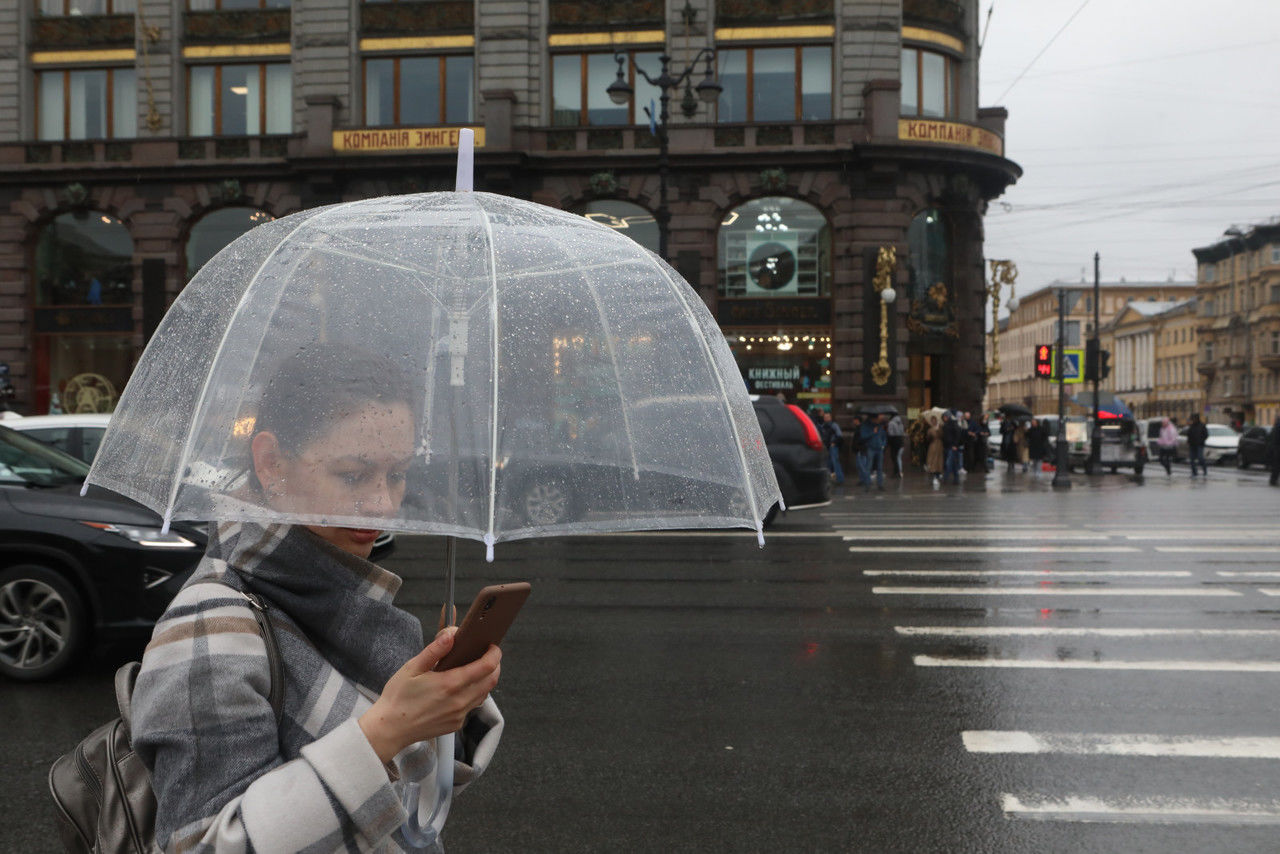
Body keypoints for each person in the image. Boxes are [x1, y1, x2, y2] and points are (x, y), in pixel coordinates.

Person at [131, 345, 504, 853]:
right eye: (353, 474)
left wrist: (444, 704)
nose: (382, 505)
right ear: (270, 462)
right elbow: (200, 846)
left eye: (397, 474)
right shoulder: (212, 622)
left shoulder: (342, 602)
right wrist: (385, 731)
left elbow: (414, 814)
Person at [861, 413, 887, 489]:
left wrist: (883, 444)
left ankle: (880, 484)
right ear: (873, 418)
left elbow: (884, 436)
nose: (879, 419)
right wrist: (873, 432)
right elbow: (863, 436)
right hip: (871, 448)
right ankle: (867, 484)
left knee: (880, 467)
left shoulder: (880, 426)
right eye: (877, 418)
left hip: (879, 448)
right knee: (869, 466)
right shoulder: (866, 426)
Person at [821, 411, 844, 485]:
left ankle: (840, 479)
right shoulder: (823, 426)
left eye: (827, 417)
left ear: (830, 418)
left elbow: (839, 435)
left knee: (834, 462)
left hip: (832, 446)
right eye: (825, 417)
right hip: (827, 446)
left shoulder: (833, 425)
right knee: (829, 463)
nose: (826, 418)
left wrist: (834, 442)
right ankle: (829, 479)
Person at [941, 411, 963, 485]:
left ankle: (945, 478)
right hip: (947, 446)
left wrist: (955, 445)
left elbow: (957, 435)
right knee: (953, 464)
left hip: (952, 446)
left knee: (949, 463)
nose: (944, 418)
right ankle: (956, 479)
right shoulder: (946, 425)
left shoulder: (953, 424)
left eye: (945, 417)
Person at [1186, 413, 1209, 477]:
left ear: (1197, 419)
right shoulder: (1191, 426)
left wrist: (1201, 440)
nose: (1193, 420)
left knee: (1200, 458)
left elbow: (1206, 435)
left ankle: (1204, 469)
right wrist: (1188, 441)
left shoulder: (1202, 426)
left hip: (1199, 444)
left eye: (1193, 419)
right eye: (1192, 419)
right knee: (1192, 459)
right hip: (1192, 445)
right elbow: (1189, 434)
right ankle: (1194, 472)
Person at [886, 412, 906, 477]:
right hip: (901, 441)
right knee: (898, 457)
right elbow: (903, 432)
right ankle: (900, 472)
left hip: (894, 441)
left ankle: (896, 472)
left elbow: (890, 433)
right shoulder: (901, 422)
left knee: (894, 457)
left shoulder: (891, 423)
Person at [925, 416, 943, 486]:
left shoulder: (940, 428)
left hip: (939, 445)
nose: (933, 422)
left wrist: (938, 429)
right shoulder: (929, 430)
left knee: (939, 459)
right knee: (932, 459)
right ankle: (933, 471)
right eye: (932, 421)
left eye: (934, 420)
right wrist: (929, 436)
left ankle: (938, 472)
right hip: (932, 446)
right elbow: (928, 439)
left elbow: (941, 435)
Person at [1266, 417, 1280, 486]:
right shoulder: (1278, 426)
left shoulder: (1275, 427)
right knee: (1277, 465)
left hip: (1275, 448)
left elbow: (1270, 438)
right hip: (1277, 448)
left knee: (1276, 466)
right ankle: (1273, 480)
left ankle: (1273, 480)